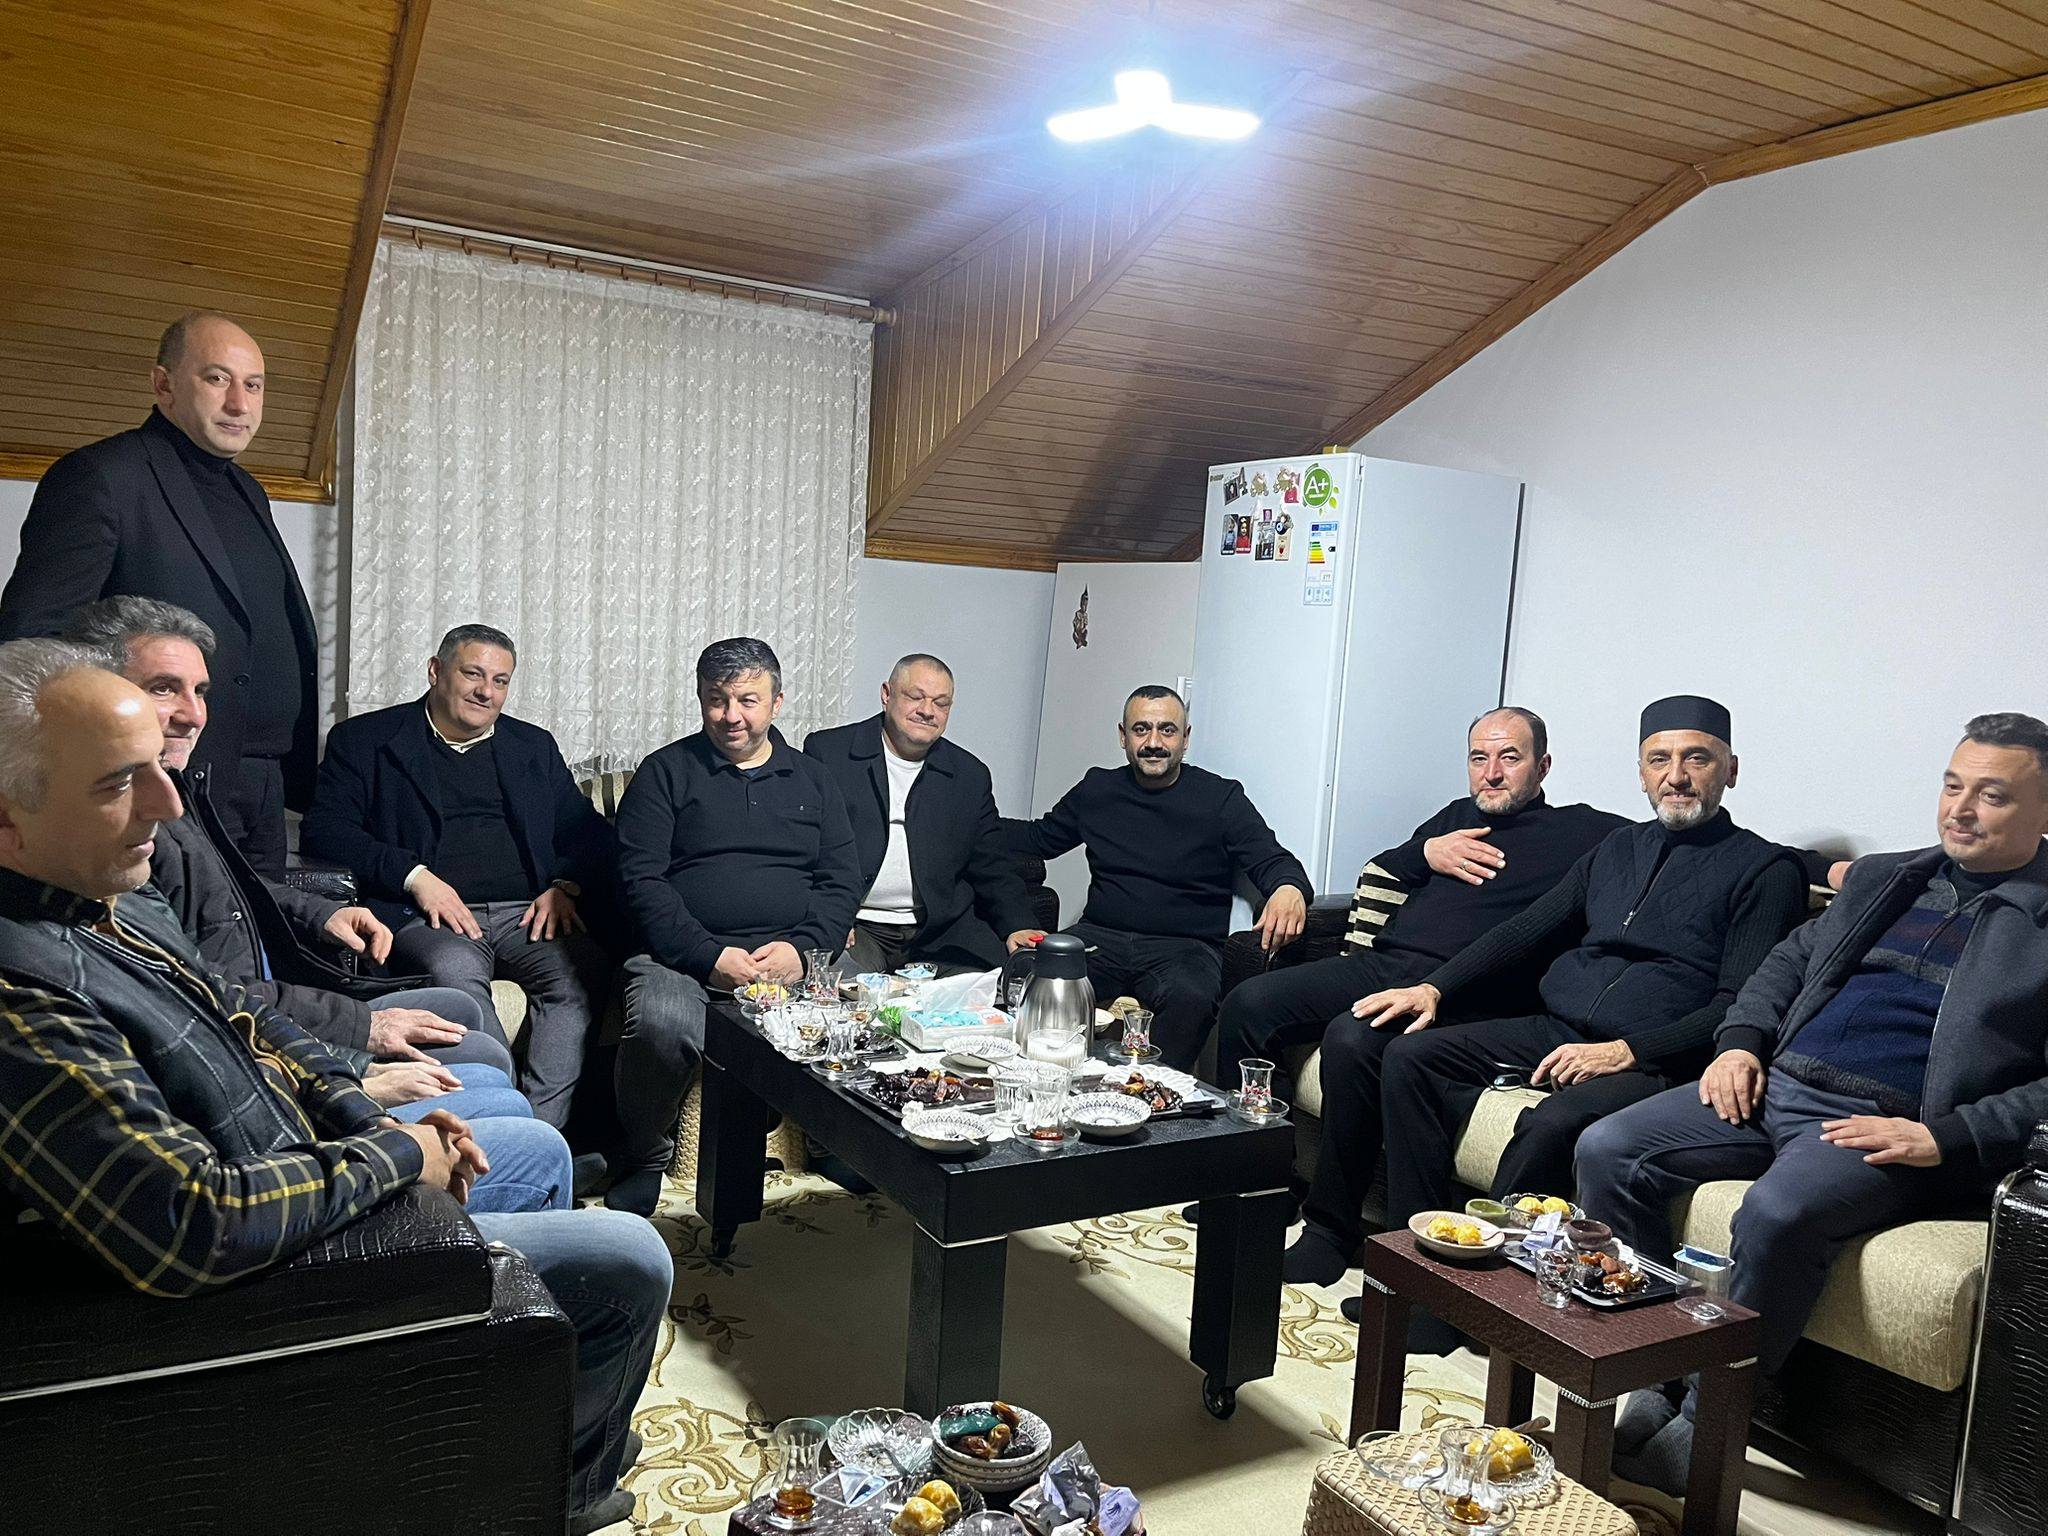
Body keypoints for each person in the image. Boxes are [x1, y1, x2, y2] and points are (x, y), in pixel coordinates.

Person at [0, 642, 665, 1531]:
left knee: (532, 1109)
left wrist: (365, 1116)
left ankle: (506, 1421)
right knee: (631, 1259)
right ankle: (553, 1488)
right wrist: (400, 1155)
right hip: (276, 1266)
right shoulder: (22, 996)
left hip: (307, 1156)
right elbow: (194, 1220)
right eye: (121, 783)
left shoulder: (105, 897)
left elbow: (243, 1014)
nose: (168, 800)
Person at [1578, 713, 2048, 1495]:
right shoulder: (1887, 878)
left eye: (1991, 796)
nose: (1960, 810)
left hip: (1885, 1127)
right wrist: (1739, 1043)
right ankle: (1647, 1373)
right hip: (1775, 1086)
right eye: (1952, 786)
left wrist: (1950, 1135)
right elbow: (1783, 964)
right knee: (1608, 1148)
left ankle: (1705, 1422)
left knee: (1774, 1212)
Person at [1286, 696, 1808, 1318]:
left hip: (1657, 1057)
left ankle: (1472, 1301)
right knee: (1411, 1056)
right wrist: (1436, 989)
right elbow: (1525, 930)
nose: (1676, 776)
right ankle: (1420, 1270)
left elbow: (1737, 1005)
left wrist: (1626, 1050)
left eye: (1697, 759)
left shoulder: (1765, 870)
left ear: (1731, 770)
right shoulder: (1617, 848)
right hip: (1558, 1026)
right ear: (1641, 774)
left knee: (1552, 1125)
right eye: (1659, 760)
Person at [65, 595, 528, 1132]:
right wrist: (356, 1061)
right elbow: (201, 1006)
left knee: (461, 1011)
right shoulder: (118, 837)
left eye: (201, 691)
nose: (194, 715)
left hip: (270, 1003)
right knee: (494, 1075)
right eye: (163, 688)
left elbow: (237, 889)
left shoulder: (177, 789)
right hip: (259, 1038)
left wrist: (320, 913)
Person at [0, 313, 319, 876]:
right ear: (163, 385)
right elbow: (32, 643)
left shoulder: (248, 489)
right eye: (217, 379)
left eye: (253, 385)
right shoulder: (101, 475)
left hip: (260, 781)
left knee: (265, 930)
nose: (239, 404)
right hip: (164, 777)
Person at [1216, 708, 1625, 1107]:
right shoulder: (1456, 815)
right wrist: (1427, 851)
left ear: (1543, 766)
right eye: (1478, 758)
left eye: (1510, 758)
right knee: (1247, 1003)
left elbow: (1652, 839)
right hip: (1383, 965)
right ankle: (1258, 1143)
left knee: (1352, 1038)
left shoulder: (1580, 831)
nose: (1491, 773)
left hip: (1460, 988)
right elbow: (1386, 866)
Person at [300, 624, 615, 1130]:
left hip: (524, 914)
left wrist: (565, 886)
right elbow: (326, 832)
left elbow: (586, 832)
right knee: (455, 974)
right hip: (425, 917)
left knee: (579, 974)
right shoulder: (366, 740)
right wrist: (414, 876)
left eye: (500, 681)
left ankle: (537, 1131)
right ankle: (497, 1117)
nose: (486, 691)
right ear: (435, 671)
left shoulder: (532, 746)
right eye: (472, 674)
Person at [606, 637, 863, 1216]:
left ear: (777, 703)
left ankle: (834, 1143)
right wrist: (708, 955)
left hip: (794, 954)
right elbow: (642, 882)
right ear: (701, 699)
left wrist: (803, 950)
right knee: (660, 1021)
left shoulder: (815, 779)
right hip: (684, 957)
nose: (731, 716)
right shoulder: (665, 772)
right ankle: (645, 1156)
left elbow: (841, 880)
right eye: (717, 700)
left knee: (861, 1010)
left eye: (748, 700)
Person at [1006, 685, 1311, 1070]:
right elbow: (1038, 838)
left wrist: (1289, 888)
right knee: (1029, 970)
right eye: (1141, 729)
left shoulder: (1220, 798)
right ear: (1123, 736)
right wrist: (970, 823)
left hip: (1185, 947)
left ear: (1185, 738)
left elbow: (1272, 859)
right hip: (1100, 937)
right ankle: (1045, 1078)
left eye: (1167, 730)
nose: (1153, 743)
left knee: (1192, 997)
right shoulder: (1098, 789)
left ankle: (1153, 1091)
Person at [803, 653, 1039, 976]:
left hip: (938, 932)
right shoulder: (830, 753)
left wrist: (1018, 924)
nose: (927, 711)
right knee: (841, 985)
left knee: (993, 987)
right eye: (915, 697)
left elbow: (992, 864)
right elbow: (804, 852)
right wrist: (829, 919)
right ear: (886, 695)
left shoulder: (969, 775)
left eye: (941, 703)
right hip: (859, 927)